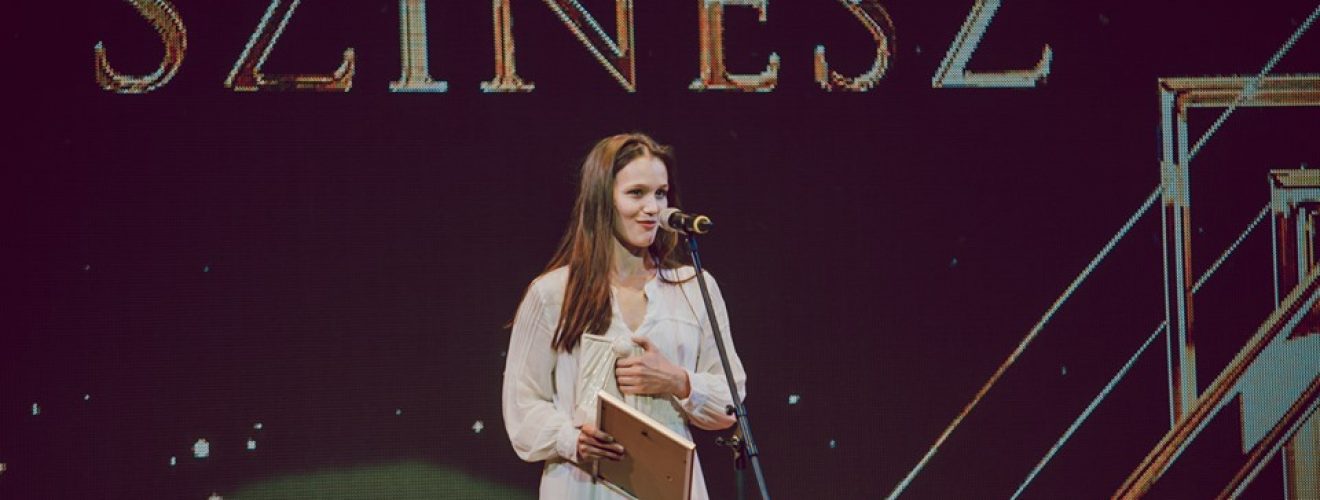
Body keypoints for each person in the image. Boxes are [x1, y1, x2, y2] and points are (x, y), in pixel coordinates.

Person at [502, 133, 748, 499]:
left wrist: (678, 381)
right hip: (583, 487)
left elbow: (731, 400)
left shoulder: (695, 288)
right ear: (603, 200)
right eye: (636, 193)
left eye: (661, 194)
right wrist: (571, 439)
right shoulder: (552, 293)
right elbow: (522, 404)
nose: (653, 208)